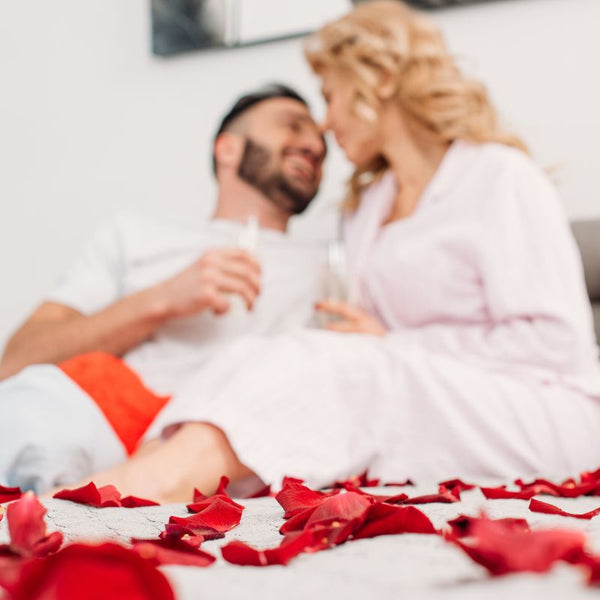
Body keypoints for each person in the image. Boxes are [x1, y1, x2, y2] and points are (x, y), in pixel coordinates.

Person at [41, 0, 600, 503]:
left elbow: (554, 343)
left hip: (535, 407)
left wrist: (394, 344)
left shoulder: (498, 177)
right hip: (416, 395)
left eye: (330, 96)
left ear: (378, 80)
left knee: (350, 367)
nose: (325, 124)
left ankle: (134, 491)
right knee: (259, 353)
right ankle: (149, 472)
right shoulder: (366, 209)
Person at [0, 84, 327, 494]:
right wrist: (160, 300)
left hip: (221, 449)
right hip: (94, 424)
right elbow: (15, 361)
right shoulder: (134, 234)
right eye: (293, 126)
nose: (314, 144)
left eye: (321, 139)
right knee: (29, 416)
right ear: (227, 149)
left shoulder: (330, 265)